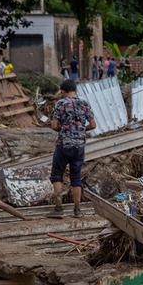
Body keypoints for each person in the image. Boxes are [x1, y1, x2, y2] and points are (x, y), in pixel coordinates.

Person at [47, 79, 97, 218]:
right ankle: (77, 210)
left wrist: (64, 130)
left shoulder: (61, 104)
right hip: (79, 146)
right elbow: (93, 125)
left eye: (61, 91)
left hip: (64, 144)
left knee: (57, 175)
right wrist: (81, 130)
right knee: (76, 177)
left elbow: (54, 125)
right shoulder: (84, 103)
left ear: (63, 90)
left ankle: (58, 209)